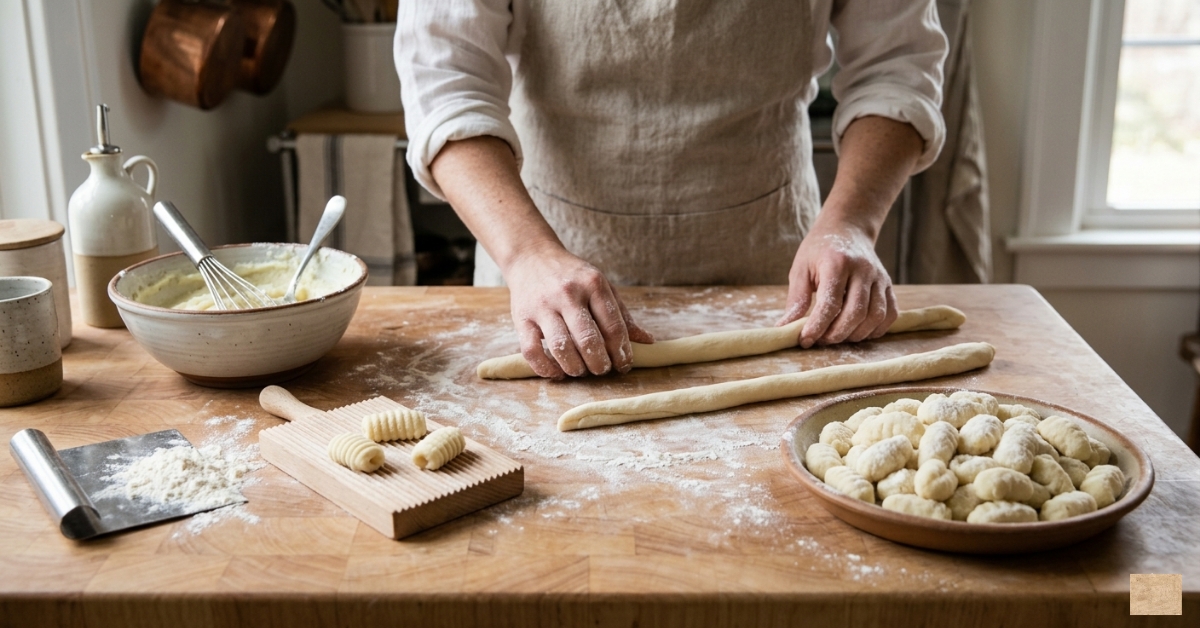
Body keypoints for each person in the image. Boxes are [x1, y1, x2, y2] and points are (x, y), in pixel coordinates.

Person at [396, 1, 948, 379]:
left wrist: (851, 222)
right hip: (538, 271)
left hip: (777, 274)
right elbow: (447, 82)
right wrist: (529, 255)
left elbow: (895, 66)